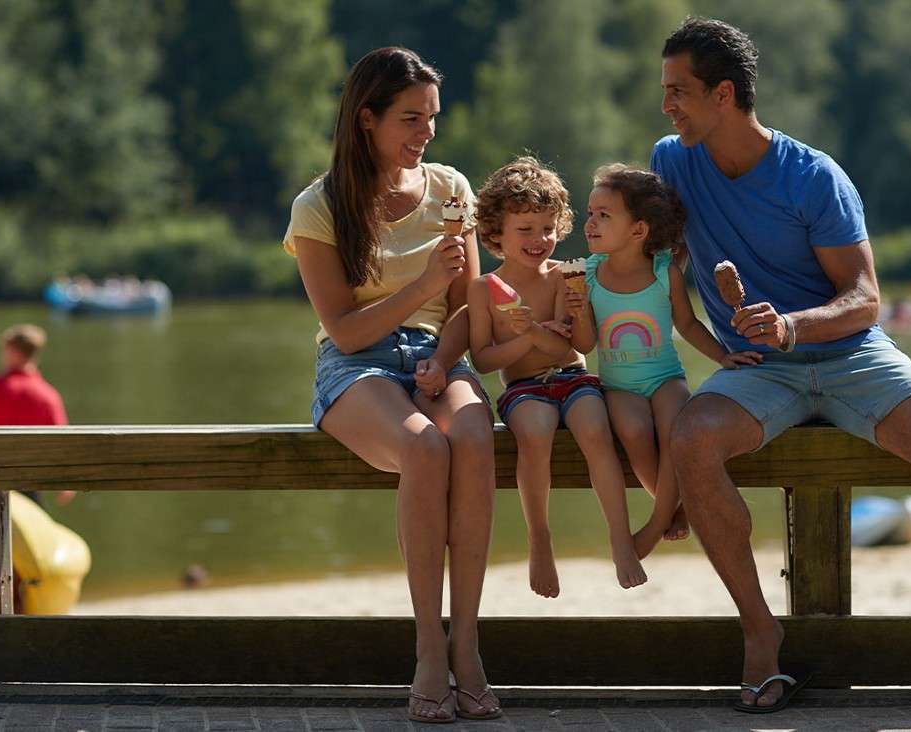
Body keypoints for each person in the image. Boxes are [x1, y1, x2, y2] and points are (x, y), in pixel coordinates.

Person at [652, 18, 911, 713]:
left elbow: (867, 300)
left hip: (851, 355)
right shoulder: (672, 162)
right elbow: (631, 249)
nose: (667, 107)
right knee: (692, 439)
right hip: (760, 368)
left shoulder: (813, 177)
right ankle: (760, 638)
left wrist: (791, 325)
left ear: (724, 95)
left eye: (679, 92)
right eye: (665, 92)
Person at [283, 47, 500, 723]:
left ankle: (467, 645)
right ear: (367, 119)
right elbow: (345, 332)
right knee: (424, 449)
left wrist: (444, 357)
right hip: (357, 368)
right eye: (411, 118)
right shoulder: (318, 206)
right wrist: (425, 286)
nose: (425, 132)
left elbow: (466, 309)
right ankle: (428, 650)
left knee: (471, 434)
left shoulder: (452, 189)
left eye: (431, 118)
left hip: (440, 356)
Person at [466, 156, 647, 598]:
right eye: (524, 230)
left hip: (572, 377)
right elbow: (486, 360)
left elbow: (572, 347)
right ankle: (540, 538)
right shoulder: (483, 289)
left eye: (547, 228)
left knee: (593, 426)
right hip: (524, 388)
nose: (538, 240)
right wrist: (530, 335)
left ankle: (621, 538)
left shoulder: (567, 277)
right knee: (536, 430)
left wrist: (549, 326)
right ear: (495, 233)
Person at [572, 164, 759, 558]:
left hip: (665, 377)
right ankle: (677, 507)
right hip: (618, 385)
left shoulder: (664, 273)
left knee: (676, 428)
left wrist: (723, 357)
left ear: (638, 231)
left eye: (604, 215)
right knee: (635, 432)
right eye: (590, 213)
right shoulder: (585, 277)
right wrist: (574, 311)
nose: (590, 223)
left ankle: (658, 522)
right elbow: (584, 344)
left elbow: (688, 325)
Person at [0, 325, 74, 506]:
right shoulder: (47, 395)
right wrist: (66, 485)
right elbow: (62, 444)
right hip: (29, 487)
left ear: (12, 351)